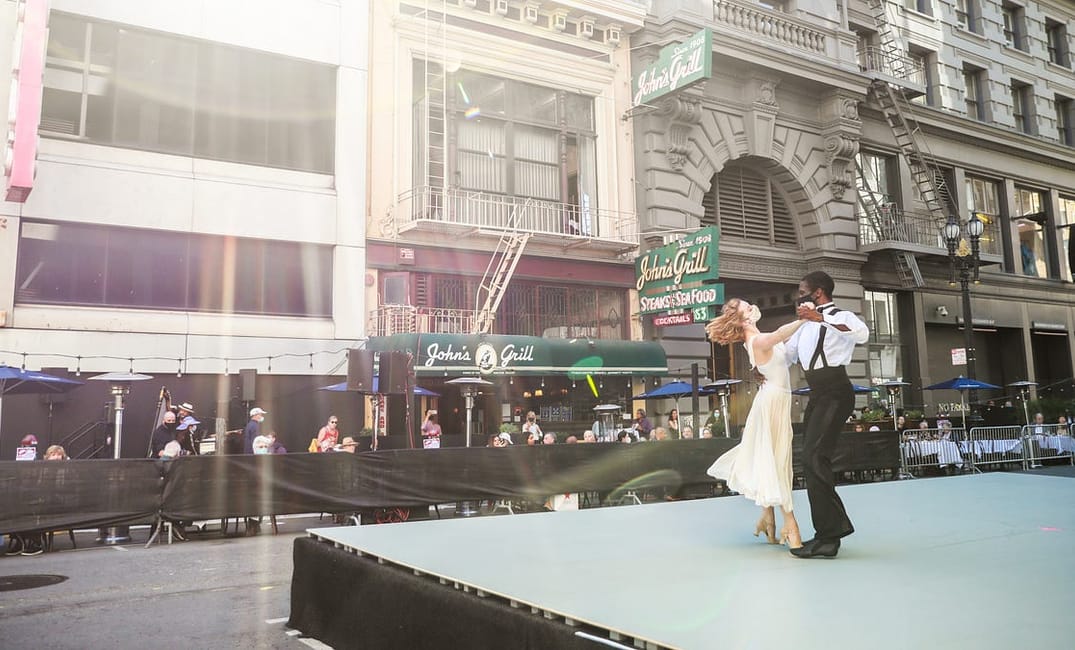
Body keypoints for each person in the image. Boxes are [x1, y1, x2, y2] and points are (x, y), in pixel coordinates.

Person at [706, 298, 807, 550]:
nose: (753, 306)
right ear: (744, 319)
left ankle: (769, 519)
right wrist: (804, 319)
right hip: (773, 402)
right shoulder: (758, 340)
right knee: (777, 460)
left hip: (774, 399)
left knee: (772, 457)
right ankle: (790, 526)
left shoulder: (755, 337)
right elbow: (780, 334)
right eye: (747, 307)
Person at [784, 270, 869, 559]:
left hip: (836, 391)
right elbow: (787, 354)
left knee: (814, 458)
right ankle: (826, 534)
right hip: (817, 393)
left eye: (802, 290)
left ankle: (830, 536)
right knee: (810, 462)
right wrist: (759, 358)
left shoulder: (840, 316)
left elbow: (862, 334)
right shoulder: (801, 327)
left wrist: (823, 319)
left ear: (817, 292)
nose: (798, 295)